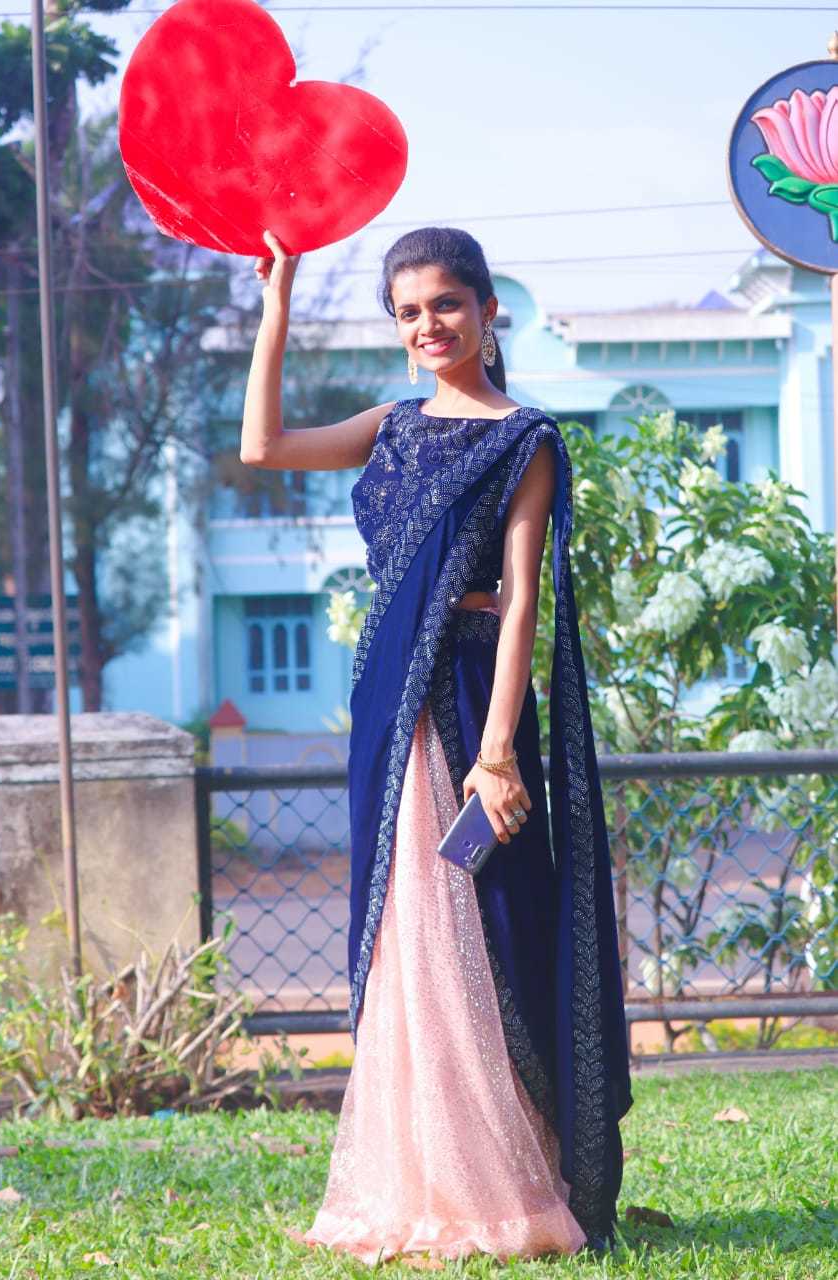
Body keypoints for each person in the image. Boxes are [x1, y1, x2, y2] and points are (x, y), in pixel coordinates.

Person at [240, 225, 632, 1266]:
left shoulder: (525, 437)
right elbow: (264, 448)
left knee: (491, 918)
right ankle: (417, 1178)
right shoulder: (393, 425)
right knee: (405, 928)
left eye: (446, 304)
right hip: (389, 702)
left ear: (488, 310)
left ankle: (509, 1180)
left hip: (469, 694)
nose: (429, 325)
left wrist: (497, 752)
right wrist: (277, 304)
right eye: (408, 311)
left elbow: (521, 602)